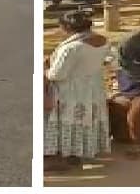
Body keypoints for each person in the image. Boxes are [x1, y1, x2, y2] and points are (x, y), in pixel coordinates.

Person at [43, 11, 112, 170]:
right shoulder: (103, 41)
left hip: (70, 90)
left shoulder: (72, 47)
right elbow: (109, 59)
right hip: (93, 87)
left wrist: (45, 68)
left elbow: (57, 74)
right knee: (87, 118)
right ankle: (79, 153)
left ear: (66, 27)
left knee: (67, 119)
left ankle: (62, 155)